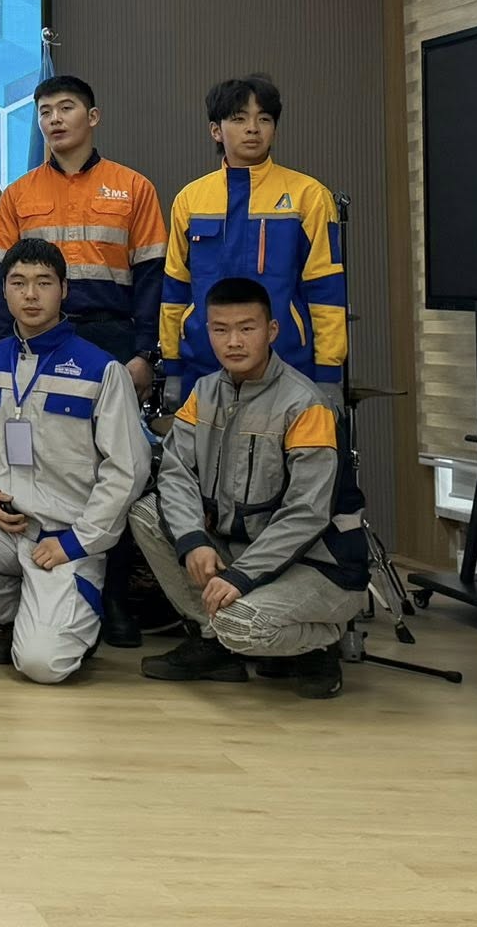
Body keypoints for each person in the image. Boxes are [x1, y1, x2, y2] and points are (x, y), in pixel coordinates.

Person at [0, 73, 166, 649]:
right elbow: (1, 284)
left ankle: (112, 594)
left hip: (111, 340)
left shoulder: (133, 188)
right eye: (45, 111)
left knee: (114, 467)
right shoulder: (18, 194)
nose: (55, 119)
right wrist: (4, 353)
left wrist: (145, 355)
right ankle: (23, 594)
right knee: (42, 462)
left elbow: (153, 278)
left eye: (66, 108)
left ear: (93, 117)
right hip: (38, 342)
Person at [0, 239, 149, 683]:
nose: (30, 294)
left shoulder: (101, 370)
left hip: (66, 537)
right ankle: (22, 613)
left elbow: (128, 469)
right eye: (18, 282)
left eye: (43, 283)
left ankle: (69, 619)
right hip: (6, 526)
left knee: (44, 666)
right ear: (4, 290)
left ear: (64, 289)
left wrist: (77, 542)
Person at [132, 277, 369, 698]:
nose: (234, 341)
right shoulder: (204, 392)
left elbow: (307, 513)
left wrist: (242, 577)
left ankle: (320, 642)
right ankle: (212, 641)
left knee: (240, 625)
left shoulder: (306, 404)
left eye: (247, 328)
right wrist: (192, 540)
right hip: (240, 549)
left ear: (271, 331)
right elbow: (175, 472)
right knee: (147, 513)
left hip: (319, 565)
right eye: (221, 329)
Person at [162, 73, 346, 403]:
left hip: (288, 364)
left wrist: (330, 373)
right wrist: (173, 368)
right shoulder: (190, 200)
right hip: (203, 364)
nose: (253, 128)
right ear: (216, 130)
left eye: (264, 119)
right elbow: (175, 288)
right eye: (239, 119)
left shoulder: (308, 196)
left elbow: (326, 290)